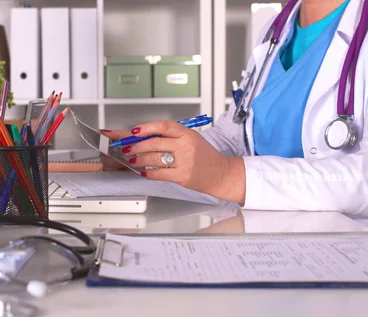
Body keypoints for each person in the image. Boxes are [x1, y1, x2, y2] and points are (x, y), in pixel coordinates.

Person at [101, 0, 368, 217]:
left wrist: (227, 175)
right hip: (262, 234)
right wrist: (154, 151)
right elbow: (232, 137)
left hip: (341, 251)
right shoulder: (275, 30)